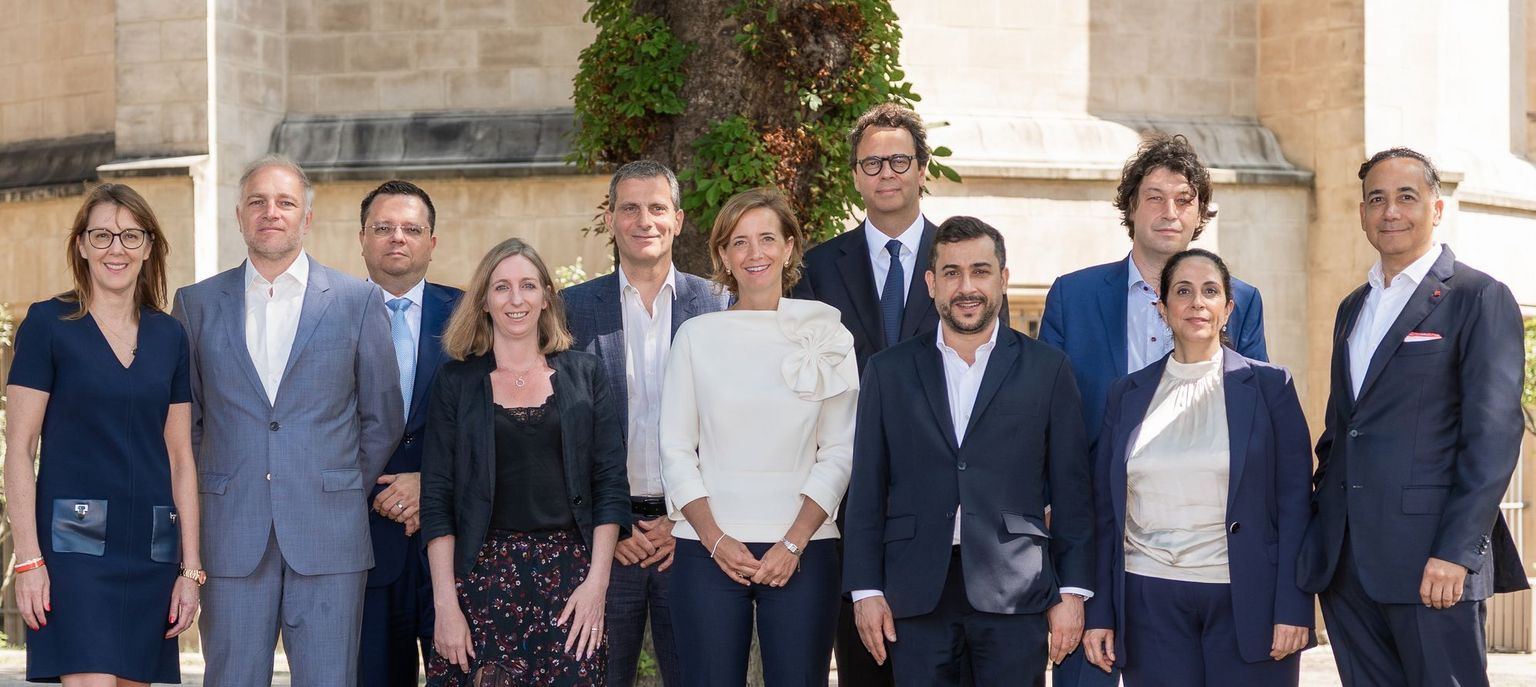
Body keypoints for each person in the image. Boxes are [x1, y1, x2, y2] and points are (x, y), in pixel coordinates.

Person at [1041, 133, 1268, 687]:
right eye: (1155, 197)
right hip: (1091, 536)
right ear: (1130, 207)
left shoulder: (1240, 301)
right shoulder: (1073, 296)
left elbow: (1256, 424)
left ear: (1200, 213)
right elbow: (1045, 420)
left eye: (1184, 200)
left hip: (1200, 549)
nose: (1170, 212)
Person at [1297, 148, 1528, 687]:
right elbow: (1342, 429)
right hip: (1346, 565)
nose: (1391, 211)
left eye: (1407, 196)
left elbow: (1493, 437)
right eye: (1377, 199)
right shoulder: (1352, 308)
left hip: (1432, 565)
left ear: (1437, 209)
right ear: (1361, 213)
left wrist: (1456, 552)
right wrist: (1322, 526)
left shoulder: (1478, 297)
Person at [172, 155, 404, 685]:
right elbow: (188, 423)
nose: (270, 212)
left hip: (330, 534)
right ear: (239, 215)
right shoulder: (196, 304)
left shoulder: (357, 301)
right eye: (257, 201)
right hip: (230, 532)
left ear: (307, 217)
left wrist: (337, 485)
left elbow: (382, 417)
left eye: (285, 202)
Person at [843, 215, 1093, 687]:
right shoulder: (887, 371)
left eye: (980, 271)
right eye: (952, 273)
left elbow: (1072, 490)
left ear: (1003, 278)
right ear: (931, 283)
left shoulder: (1048, 369)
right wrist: (865, 589)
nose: (966, 287)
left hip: (1016, 590)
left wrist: (1073, 590)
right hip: (914, 591)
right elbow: (867, 487)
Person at [1081, 248, 1313, 686]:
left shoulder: (1271, 387)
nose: (1196, 303)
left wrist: (1293, 607)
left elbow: (1296, 505)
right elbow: (1105, 514)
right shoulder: (1126, 394)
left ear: (1228, 309)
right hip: (1148, 598)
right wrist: (1101, 613)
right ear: (1162, 308)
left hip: (1250, 598)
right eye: (1183, 291)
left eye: (1210, 291)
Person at [3, 183, 203, 685]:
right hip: (74, 548)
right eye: (102, 235)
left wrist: (190, 570)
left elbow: (181, 458)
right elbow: (20, 450)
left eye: (131, 235)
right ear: (81, 244)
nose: (117, 248)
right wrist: (28, 559)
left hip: (152, 548)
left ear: (149, 246)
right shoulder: (48, 323)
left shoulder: (169, 336)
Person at [660, 188, 857, 686]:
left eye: (767, 238)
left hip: (805, 545)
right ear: (723, 255)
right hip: (706, 547)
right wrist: (716, 539)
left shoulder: (828, 333)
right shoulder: (696, 336)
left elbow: (839, 451)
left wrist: (792, 543)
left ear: (789, 247)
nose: (755, 253)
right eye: (739, 242)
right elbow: (676, 450)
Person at [419, 237, 629, 686]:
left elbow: (610, 484)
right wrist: (446, 605)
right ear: (484, 301)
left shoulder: (585, 374)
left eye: (528, 285)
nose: (516, 299)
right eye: (502, 287)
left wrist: (597, 586)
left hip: (572, 583)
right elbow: (437, 498)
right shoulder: (455, 383)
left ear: (547, 296)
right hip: (480, 583)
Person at [790, 101, 941, 686]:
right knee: (862, 667)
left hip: (943, 500)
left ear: (922, 168)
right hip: (848, 501)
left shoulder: (962, 260)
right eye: (871, 163)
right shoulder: (817, 268)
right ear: (855, 175)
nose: (886, 173)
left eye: (899, 160)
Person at [562, 160, 728, 686]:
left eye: (657, 208)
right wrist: (609, 523)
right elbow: (560, 435)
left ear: (678, 219)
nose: (644, 220)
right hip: (606, 540)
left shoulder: (717, 306)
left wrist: (686, 521)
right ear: (610, 219)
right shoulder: (571, 310)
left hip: (694, 538)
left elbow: (731, 432)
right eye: (629, 208)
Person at [356, 180, 464, 686]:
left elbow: (498, 425)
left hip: (457, 542)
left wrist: (431, 483)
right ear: (362, 238)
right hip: (363, 545)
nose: (397, 237)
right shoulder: (330, 314)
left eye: (411, 229)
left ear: (431, 242)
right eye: (383, 227)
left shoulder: (473, 316)